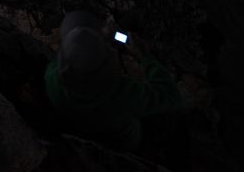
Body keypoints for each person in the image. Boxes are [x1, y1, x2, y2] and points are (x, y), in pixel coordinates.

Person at [44, 11, 182, 153]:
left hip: (82, 126)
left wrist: (96, 38)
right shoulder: (124, 95)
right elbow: (171, 96)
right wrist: (145, 56)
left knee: (74, 19)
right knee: (172, 120)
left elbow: (74, 52)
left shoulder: (53, 80)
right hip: (123, 140)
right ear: (107, 70)